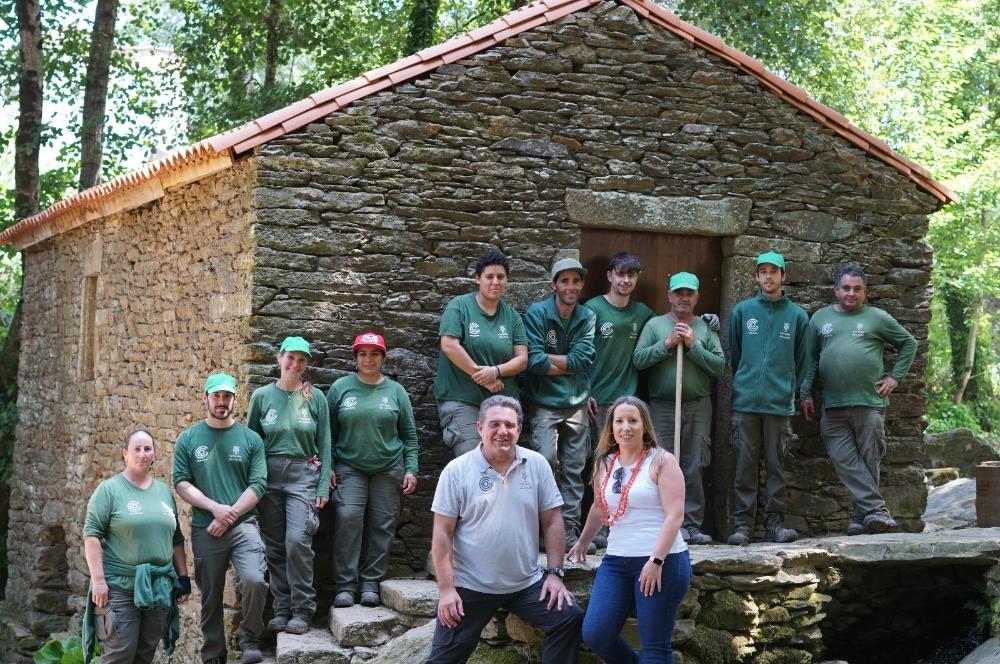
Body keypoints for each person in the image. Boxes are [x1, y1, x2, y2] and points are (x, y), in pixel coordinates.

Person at [427, 395, 583, 664]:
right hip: (471, 585)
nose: (503, 431)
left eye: (510, 425)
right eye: (495, 424)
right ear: (479, 428)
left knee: (568, 618)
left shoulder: (536, 464)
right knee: (442, 660)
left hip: (526, 583)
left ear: (519, 430)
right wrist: (446, 590)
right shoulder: (457, 471)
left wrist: (555, 573)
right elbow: (442, 533)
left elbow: (553, 520)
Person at [569, 396, 690, 664]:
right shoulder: (604, 463)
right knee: (596, 634)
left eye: (633, 421)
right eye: (619, 421)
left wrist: (656, 560)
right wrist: (582, 541)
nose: (626, 427)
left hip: (662, 561)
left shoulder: (661, 461)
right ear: (611, 427)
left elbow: (675, 515)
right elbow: (599, 508)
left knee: (654, 648)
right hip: (616, 561)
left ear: (644, 426)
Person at [799, 266, 917, 534]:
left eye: (857, 288)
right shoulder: (819, 318)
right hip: (833, 405)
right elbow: (811, 359)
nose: (851, 293)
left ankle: (861, 518)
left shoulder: (878, 317)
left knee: (869, 460)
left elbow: (909, 343)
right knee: (844, 459)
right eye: (846, 288)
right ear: (836, 290)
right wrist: (805, 392)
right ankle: (876, 512)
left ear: (865, 291)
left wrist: (895, 377)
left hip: (869, 402)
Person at [173, 373, 268, 664]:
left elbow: (258, 485)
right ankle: (214, 654)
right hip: (206, 527)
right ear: (205, 398)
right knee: (211, 595)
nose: (221, 402)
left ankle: (250, 640)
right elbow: (181, 482)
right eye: (216, 396)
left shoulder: (250, 439)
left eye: (227, 396)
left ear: (234, 400)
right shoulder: (188, 439)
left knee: (255, 579)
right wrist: (215, 509)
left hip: (244, 525)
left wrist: (230, 515)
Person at [246, 336, 331, 634]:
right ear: (279, 359)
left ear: (307, 364)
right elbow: (251, 443)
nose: (295, 364)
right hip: (268, 475)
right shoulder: (262, 397)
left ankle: (303, 610)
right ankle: (282, 609)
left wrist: (322, 486)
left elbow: (325, 444)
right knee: (274, 545)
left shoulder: (315, 397)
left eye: (302, 359)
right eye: (290, 357)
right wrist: (252, 484)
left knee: (297, 540)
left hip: (303, 474)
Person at [83, 430, 191, 664]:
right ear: (125, 454)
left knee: (145, 654)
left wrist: (183, 578)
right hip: (120, 587)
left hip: (158, 588)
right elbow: (91, 536)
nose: (143, 454)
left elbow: (176, 539)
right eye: (137, 449)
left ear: (155, 454)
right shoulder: (109, 490)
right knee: (120, 653)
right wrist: (98, 580)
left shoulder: (163, 492)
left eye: (147, 449)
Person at [328, 332, 419, 608]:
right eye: (363, 354)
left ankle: (370, 583)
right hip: (350, 466)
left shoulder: (396, 392)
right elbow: (327, 433)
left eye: (375, 354)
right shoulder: (340, 388)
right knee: (348, 518)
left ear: (383, 357)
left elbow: (410, 435)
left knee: (383, 524)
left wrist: (411, 469)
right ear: (355, 358)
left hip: (388, 467)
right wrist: (328, 467)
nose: (369, 359)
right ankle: (345, 585)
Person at [633, 272, 724, 545]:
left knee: (694, 464)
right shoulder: (655, 325)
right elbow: (638, 360)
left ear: (696, 297)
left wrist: (693, 346)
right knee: (660, 465)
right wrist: (668, 344)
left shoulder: (706, 329)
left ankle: (691, 526)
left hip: (697, 405)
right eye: (679, 293)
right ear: (670, 296)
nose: (684, 298)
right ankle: (661, 523)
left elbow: (719, 367)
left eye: (690, 293)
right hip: (662, 407)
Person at [726, 252, 809, 546]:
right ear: (756, 277)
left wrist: (789, 389)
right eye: (763, 271)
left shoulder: (797, 316)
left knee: (776, 466)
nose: (768, 277)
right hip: (746, 403)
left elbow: (802, 360)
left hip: (779, 404)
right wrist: (745, 382)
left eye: (774, 271)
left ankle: (774, 525)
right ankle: (742, 526)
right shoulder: (743, 311)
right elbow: (735, 354)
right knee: (744, 466)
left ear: (783, 276)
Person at [524, 257, 596, 551]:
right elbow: (533, 361)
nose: (571, 287)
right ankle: (543, 531)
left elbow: (583, 358)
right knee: (544, 464)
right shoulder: (537, 313)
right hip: (544, 402)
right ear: (554, 284)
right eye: (564, 281)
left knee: (575, 468)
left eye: (576, 281)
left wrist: (551, 359)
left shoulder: (587, 316)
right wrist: (569, 364)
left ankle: (569, 531)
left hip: (577, 402)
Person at [434, 251, 528, 457]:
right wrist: (482, 378)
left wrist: (495, 371)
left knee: (503, 460)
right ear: (477, 278)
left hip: (502, 404)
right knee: (475, 460)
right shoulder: (459, 306)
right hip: (463, 399)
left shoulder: (512, 316)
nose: (495, 282)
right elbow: (449, 345)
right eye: (489, 276)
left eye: (501, 277)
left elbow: (522, 359)